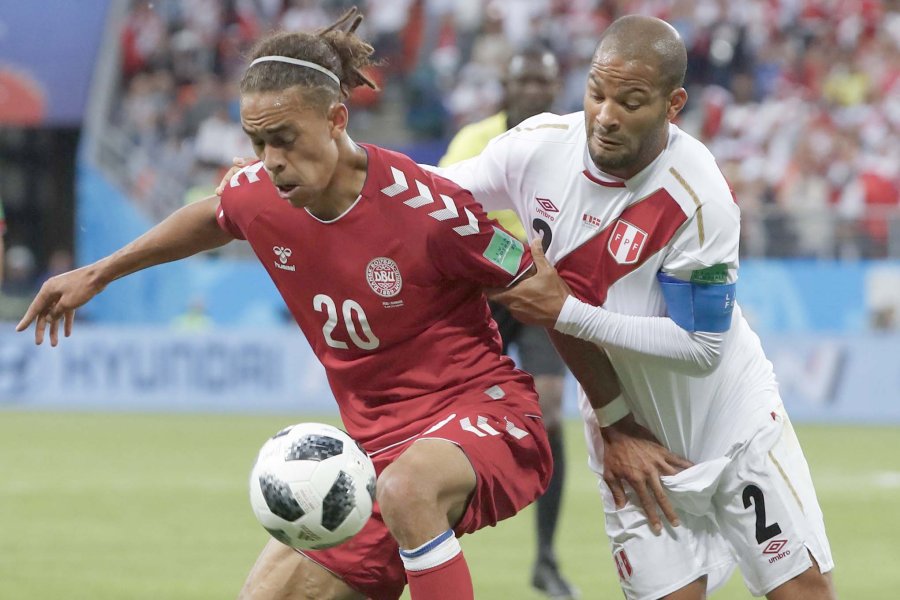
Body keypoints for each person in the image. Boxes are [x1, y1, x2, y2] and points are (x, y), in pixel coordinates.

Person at [20, 9, 687, 600]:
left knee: (409, 491)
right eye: (257, 143)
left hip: (486, 419)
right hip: (369, 458)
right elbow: (214, 214)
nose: (270, 161)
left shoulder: (431, 209)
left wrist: (618, 421)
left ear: (337, 120)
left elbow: (544, 295)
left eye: (284, 138)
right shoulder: (261, 192)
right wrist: (100, 273)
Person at [434, 14, 836, 600]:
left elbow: (701, 348)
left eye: (631, 101)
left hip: (733, 428)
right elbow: (427, 195)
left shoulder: (698, 196)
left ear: (673, 104)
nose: (605, 115)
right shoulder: (536, 151)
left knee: (805, 593)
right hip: (625, 438)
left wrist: (563, 310)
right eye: (597, 93)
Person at [439, 44, 577, 599]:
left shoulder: (572, 143)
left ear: (554, 87)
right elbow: (439, 206)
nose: (535, 93)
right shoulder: (477, 141)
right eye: (526, 83)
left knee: (550, 405)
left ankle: (545, 557)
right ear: (508, 86)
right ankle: (433, 534)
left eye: (544, 83)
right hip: (484, 292)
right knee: (451, 410)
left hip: (541, 288)